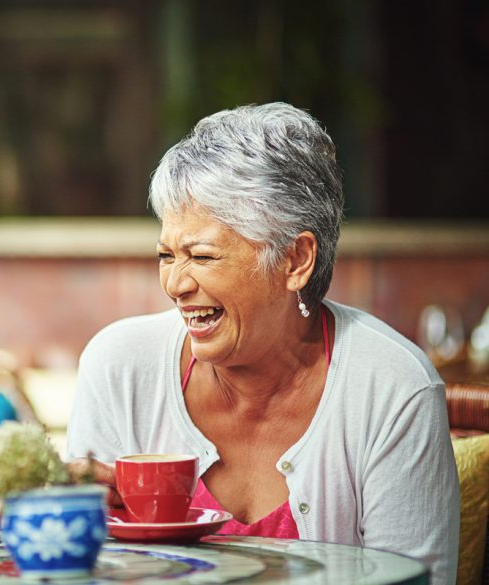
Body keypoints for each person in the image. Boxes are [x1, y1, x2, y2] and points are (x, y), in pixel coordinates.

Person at [66, 103, 459, 584]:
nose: (175, 284)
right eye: (167, 255)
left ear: (296, 260)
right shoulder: (120, 367)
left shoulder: (393, 388)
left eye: (202, 255)